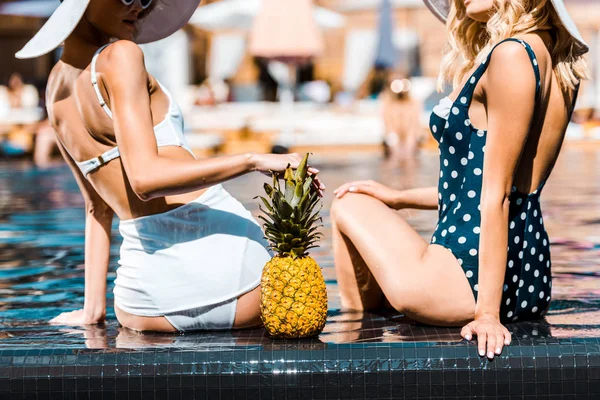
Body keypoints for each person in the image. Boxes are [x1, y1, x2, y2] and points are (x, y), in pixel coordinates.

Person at [15, 0, 324, 332]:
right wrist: (252, 159)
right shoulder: (121, 55)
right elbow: (145, 180)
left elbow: (96, 208)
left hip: (143, 305)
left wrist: (92, 311)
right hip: (234, 284)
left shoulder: (54, 88)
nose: (139, 7)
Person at [331, 0, 588, 359]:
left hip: (468, 276)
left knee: (347, 201)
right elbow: (495, 188)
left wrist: (487, 314)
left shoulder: (511, 55)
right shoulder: (552, 54)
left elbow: (495, 195)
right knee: (367, 197)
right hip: (527, 278)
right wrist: (399, 197)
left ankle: (353, 337)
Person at [380, 75, 424, 162]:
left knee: (410, 144)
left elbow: (414, 123)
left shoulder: (414, 102)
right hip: (393, 133)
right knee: (394, 147)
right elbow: (388, 124)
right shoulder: (387, 101)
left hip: (410, 133)